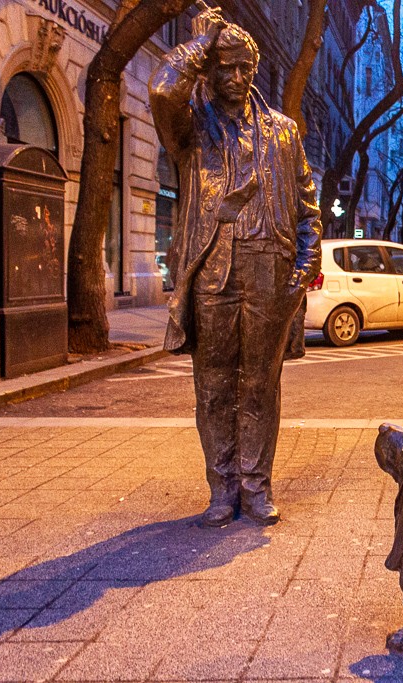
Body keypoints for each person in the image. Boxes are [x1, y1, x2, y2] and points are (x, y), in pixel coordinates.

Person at [149, 6, 322, 527]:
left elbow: (307, 208)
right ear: (209, 70)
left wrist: (305, 264)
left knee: (260, 386)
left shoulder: (284, 133)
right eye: (225, 66)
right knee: (215, 385)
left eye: (245, 67)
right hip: (213, 269)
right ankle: (222, 487)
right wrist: (200, 46)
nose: (238, 78)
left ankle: (255, 484)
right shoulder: (190, 127)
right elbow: (161, 91)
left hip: (269, 272)